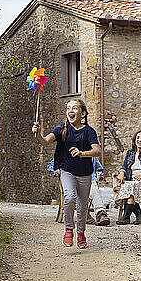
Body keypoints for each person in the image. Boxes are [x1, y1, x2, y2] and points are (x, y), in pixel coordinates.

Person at [32, 99, 101, 249]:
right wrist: (38, 133)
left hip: (85, 173)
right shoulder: (60, 129)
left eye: (75, 108)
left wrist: (82, 153)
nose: (70, 111)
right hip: (66, 170)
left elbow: (97, 151)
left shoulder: (89, 132)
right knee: (70, 197)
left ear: (82, 113)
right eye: (68, 108)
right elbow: (44, 142)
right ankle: (69, 229)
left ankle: (81, 233)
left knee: (82, 207)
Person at [46, 157, 110, 226]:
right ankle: (85, 214)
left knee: (93, 186)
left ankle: (100, 213)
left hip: (89, 181)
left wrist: (99, 174)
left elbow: (99, 169)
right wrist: (56, 171)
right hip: (71, 181)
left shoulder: (91, 155)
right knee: (74, 188)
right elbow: (51, 166)